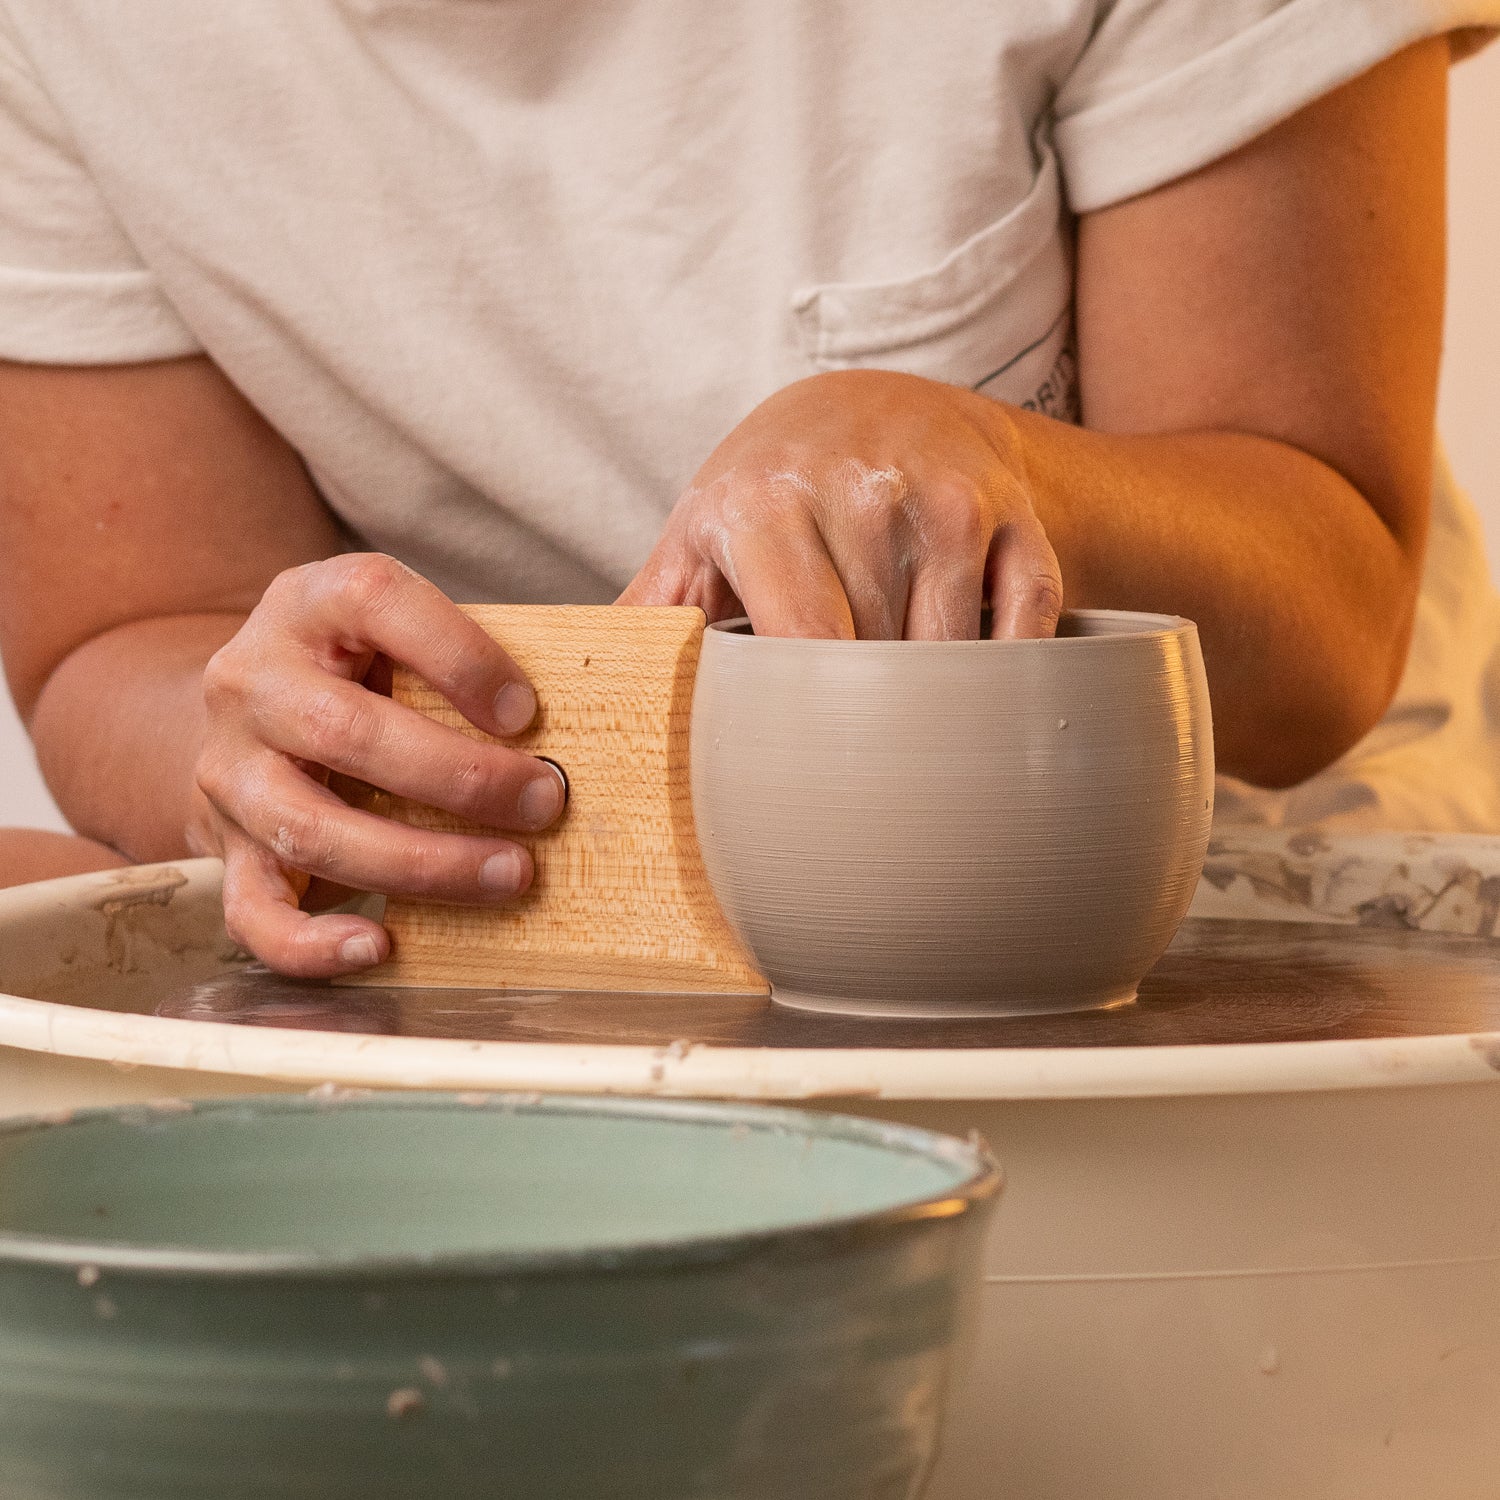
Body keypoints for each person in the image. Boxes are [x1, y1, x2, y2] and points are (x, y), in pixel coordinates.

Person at [0, 3, 1496, 975]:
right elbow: (125, 634)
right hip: (540, 951)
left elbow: (1326, 608)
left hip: (1230, 917)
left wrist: (988, 459)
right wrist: (266, 750)